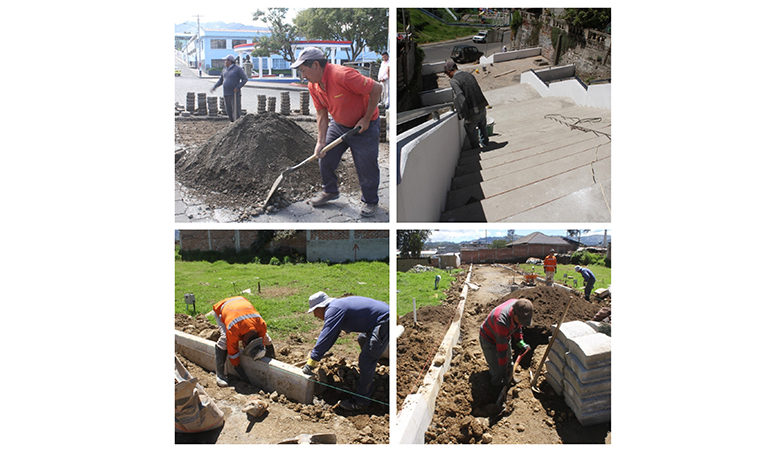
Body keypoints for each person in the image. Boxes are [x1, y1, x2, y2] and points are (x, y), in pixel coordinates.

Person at [291, 47, 383, 217]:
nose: (303, 76)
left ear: (316, 65)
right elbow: (321, 113)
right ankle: (330, 191)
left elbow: (377, 88)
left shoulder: (343, 75)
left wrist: (366, 118)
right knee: (324, 155)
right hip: (339, 124)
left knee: (366, 165)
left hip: (364, 126)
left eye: (304, 70)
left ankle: (370, 201)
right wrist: (320, 141)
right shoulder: (313, 85)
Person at [302, 292, 389, 412]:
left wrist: (312, 361)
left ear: (320, 307)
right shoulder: (337, 306)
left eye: (314, 311)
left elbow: (327, 336)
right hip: (380, 318)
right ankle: (370, 370)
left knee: (366, 360)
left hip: (384, 319)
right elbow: (332, 335)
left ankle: (361, 402)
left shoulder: (333, 310)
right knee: (363, 339)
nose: (315, 316)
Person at [212, 296, 275, 387]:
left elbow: (264, 340)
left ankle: (273, 358)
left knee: (267, 338)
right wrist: (241, 373)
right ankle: (220, 375)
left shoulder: (261, 325)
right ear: (244, 343)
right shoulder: (233, 330)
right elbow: (233, 353)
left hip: (240, 301)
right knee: (224, 340)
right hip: (221, 308)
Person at [479, 297, 533, 389]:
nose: (522, 324)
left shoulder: (519, 306)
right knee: (497, 371)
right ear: (514, 314)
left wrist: (520, 342)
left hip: (503, 336)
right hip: (488, 338)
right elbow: (502, 351)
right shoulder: (501, 321)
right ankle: (496, 388)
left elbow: (518, 326)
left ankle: (510, 379)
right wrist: (502, 369)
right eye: (521, 321)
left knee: (510, 363)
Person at [445, 59, 490, 149]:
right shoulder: (469, 74)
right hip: (482, 106)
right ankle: (486, 144)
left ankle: (476, 149)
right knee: (482, 126)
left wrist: (464, 115)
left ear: (450, 71)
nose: (447, 76)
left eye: (447, 73)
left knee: (470, 128)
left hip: (472, 111)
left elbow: (460, 97)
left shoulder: (454, 81)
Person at [210, 54, 248, 122]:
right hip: (226, 93)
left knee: (236, 110)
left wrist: (238, 87)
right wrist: (214, 87)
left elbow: (245, 79)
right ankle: (232, 122)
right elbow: (221, 80)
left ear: (230, 61)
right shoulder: (224, 70)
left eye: (225, 60)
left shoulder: (237, 69)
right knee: (228, 110)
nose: (224, 62)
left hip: (234, 93)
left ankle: (237, 124)